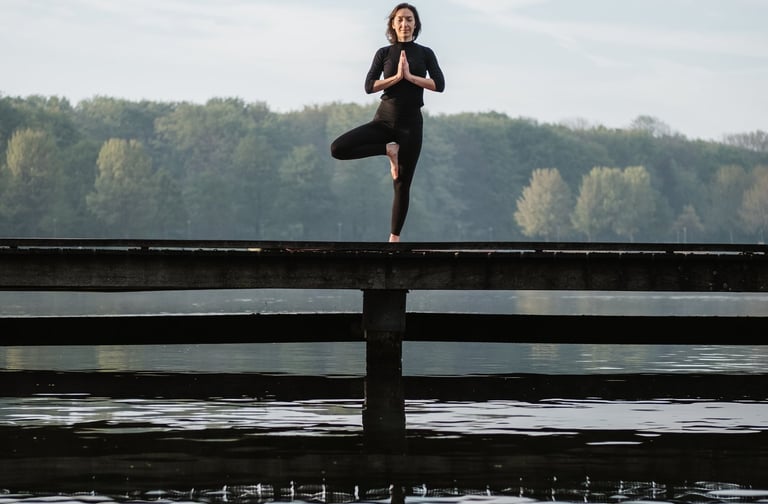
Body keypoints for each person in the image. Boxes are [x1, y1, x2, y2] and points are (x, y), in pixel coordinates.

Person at [330, 3, 445, 242]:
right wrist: (395, 78)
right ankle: (388, 150)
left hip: (411, 126)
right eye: (400, 19)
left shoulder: (425, 53)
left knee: (402, 184)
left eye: (409, 19)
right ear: (393, 24)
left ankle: (394, 239)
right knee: (338, 148)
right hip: (384, 121)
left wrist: (411, 78)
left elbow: (440, 84)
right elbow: (369, 86)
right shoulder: (383, 53)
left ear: (416, 24)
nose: (405, 24)